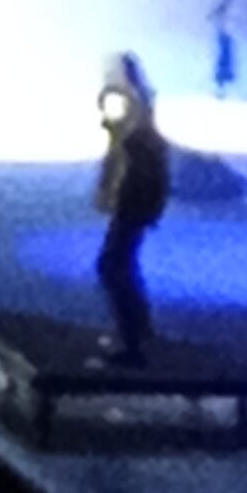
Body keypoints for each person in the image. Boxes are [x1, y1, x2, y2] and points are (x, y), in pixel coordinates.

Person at [91, 52, 170, 366]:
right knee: (122, 262)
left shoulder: (126, 103)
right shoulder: (141, 102)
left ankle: (132, 341)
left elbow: (123, 151)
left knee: (113, 265)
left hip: (135, 193)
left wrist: (110, 190)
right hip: (142, 192)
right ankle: (138, 331)